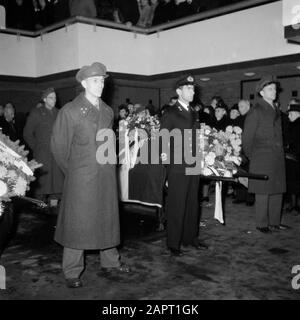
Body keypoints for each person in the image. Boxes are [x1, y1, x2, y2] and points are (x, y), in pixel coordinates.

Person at [50, 62, 130, 289]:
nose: (101, 84)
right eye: (96, 80)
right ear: (84, 83)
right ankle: (72, 270)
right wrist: (75, 172)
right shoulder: (70, 111)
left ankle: (111, 262)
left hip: (105, 176)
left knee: (107, 218)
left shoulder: (107, 110)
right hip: (81, 179)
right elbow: (59, 148)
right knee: (78, 223)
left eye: (103, 80)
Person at [160, 75, 208, 256]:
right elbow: (163, 141)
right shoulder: (171, 112)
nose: (192, 91)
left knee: (192, 203)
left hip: (193, 162)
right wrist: (167, 168)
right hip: (177, 165)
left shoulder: (194, 112)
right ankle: (173, 242)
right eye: (188, 89)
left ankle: (190, 238)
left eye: (193, 89)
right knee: (176, 204)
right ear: (179, 91)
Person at [242, 75, 288, 233]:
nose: (274, 91)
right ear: (261, 92)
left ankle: (275, 222)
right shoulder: (256, 110)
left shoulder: (275, 108)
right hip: (262, 157)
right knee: (263, 192)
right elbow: (247, 138)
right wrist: (253, 156)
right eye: (270, 89)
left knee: (277, 189)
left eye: (275, 88)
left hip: (276, 157)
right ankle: (262, 224)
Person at [23, 88, 64, 207]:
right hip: (42, 155)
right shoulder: (36, 112)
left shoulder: (59, 113)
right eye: (51, 97)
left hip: (56, 155)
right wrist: (36, 147)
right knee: (42, 186)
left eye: (55, 97)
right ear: (44, 99)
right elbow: (27, 133)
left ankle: (53, 211)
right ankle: (39, 213)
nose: (54, 100)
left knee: (56, 187)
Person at [285, 98, 300, 214]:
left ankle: (294, 205)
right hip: (292, 158)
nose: (288, 116)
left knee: (295, 182)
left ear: (296, 114)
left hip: (295, 158)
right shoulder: (292, 124)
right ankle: (293, 204)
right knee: (292, 182)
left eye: (290, 114)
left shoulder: (296, 125)